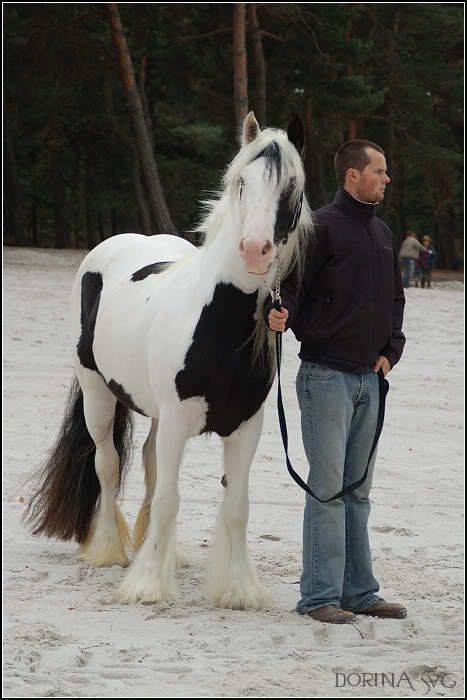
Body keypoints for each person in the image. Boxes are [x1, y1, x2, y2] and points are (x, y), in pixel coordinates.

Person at [265, 139, 407, 624]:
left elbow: (395, 302)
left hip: (372, 380)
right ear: (352, 174)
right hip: (325, 376)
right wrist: (279, 315)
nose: (387, 178)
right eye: (379, 170)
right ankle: (319, 597)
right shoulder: (319, 227)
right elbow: (291, 291)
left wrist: (391, 353)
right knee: (326, 490)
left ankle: (360, 593)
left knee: (358, 492)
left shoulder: (384, 234)